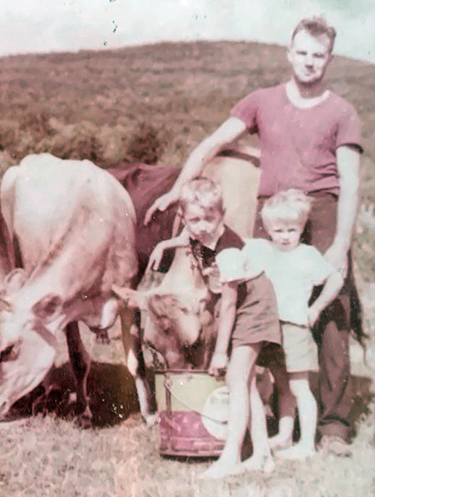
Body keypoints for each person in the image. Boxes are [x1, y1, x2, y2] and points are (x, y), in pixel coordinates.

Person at [145, 16, 362, 456]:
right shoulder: (262, 101)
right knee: (265, 307)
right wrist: (176, 189)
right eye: (301, 53)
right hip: (272, 210)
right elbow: (210, 144)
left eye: (317, 55)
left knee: (332, 312)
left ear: (329, 59)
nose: (308, 62)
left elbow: (351, 181)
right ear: (289, 53)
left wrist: (340, 243)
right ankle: (272, 413)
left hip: (320, 210)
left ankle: (334, 424)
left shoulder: (342, 111)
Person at [147, 178, 281, 479]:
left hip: (253, 305)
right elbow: (189, 240)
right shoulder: (197, 234)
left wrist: (220, 352)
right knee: (244, 383)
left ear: (223, 215)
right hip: (241, 304)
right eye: (194, 220)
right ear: (184, 219)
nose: (203, 226)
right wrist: (165, 244)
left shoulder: (228, 252)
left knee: (235, 377)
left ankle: (231, 456)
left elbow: (232, 303)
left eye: (210, 218)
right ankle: (261, 454)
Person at [247, 190, 343, 459]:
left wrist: (316, 307)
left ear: (302, 228)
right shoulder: (264, 251)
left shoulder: (307, 255)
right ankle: (285, 435)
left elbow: (334, 280)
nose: (285, 236)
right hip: (270, 327)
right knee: (283, 385)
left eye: (292, 229)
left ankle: (307, 445)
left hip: (296, 328)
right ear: (267, 229)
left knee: (300, 387)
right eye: (278, 230)